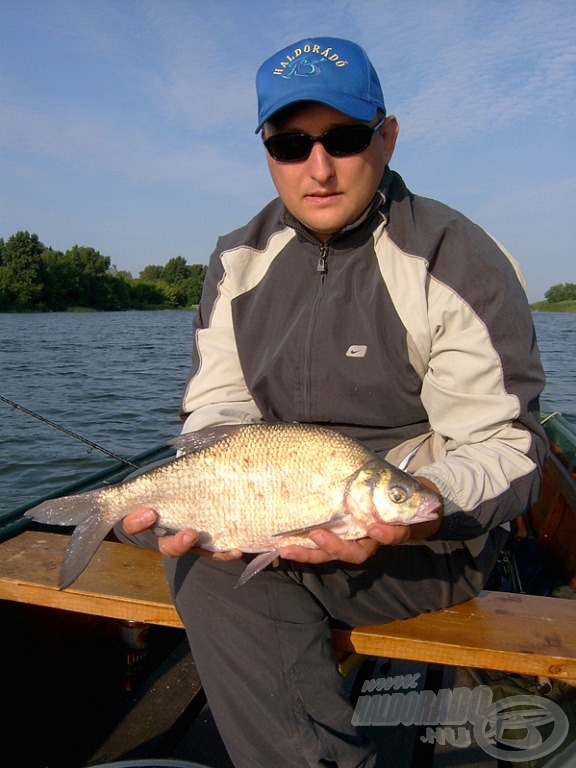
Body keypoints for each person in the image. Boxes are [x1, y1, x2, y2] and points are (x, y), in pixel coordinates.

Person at [116, 36, 548, 768]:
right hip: (276, 504)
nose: (318, 168)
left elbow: (509, 451)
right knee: (183, 539)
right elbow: (217, 412)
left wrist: (422, 509)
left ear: (387, 136)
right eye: (290, 144)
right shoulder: (235, 260)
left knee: (217, 579)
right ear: (266, 150)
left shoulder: (453, 258)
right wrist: (227, 500)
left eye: (343, 139)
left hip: (422, 542)